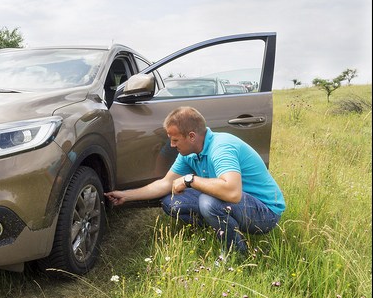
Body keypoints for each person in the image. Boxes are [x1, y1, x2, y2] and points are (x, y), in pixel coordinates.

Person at [105, 106, 285, 257]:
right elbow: (166, 183)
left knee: (209, 202)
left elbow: (232, 193)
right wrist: (126, 196)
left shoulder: (221, 148)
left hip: (265, 212)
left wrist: (190, 179)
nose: (172, 145)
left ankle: (235, 254)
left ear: (191, 136)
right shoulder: (189, 153)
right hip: (239, 205)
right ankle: (219, 229)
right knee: (172, 202)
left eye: (175, 140)